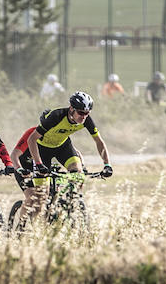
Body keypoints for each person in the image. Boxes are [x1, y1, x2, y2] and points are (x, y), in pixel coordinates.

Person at [23, 91, 113, 219]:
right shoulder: (56, 116)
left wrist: (107, 164)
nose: (83, 116)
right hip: (42, 150)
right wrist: (38, 163)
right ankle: (33, 227)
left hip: (62, 147)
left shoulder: (86, 120)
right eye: (81, 113)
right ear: (72, 109)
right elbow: (31, 140)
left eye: (87, 113)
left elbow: (99, 141)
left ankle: (71, 203)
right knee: (41, 199)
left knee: (78, 173)